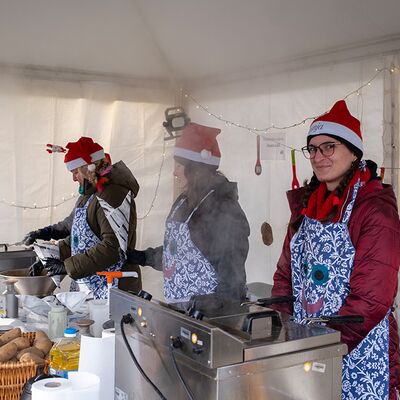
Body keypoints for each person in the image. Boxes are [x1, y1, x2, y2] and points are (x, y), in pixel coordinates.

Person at [271, 100, 400, 399]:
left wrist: (325, 349)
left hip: (358, 352)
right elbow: (284, 277)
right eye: (313, 149)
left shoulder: (375, 211)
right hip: (308, 350)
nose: (318, 157)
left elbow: (371, 300)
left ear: (353, 152)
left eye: (329, 147)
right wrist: (280, 334)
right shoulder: (305, 206)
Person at [126, 122, 250, 312]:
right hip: (179, 308)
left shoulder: (224, 208)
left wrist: (214, 305)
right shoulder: (185, 201)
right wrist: (143, 257)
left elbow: (232, 271)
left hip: (206, 315)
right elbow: (177, 252)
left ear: (196, 170)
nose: (174, 172)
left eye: (179, 166)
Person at [40, 137, 142, 298]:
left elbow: (112, 247)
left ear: (90, 168)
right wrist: (47, 258)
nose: (74, 178)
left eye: (75, 172)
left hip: (112, 288)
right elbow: (79, 238)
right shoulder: (90, 195)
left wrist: (68, 266)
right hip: (89, 287)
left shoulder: (113, 194)